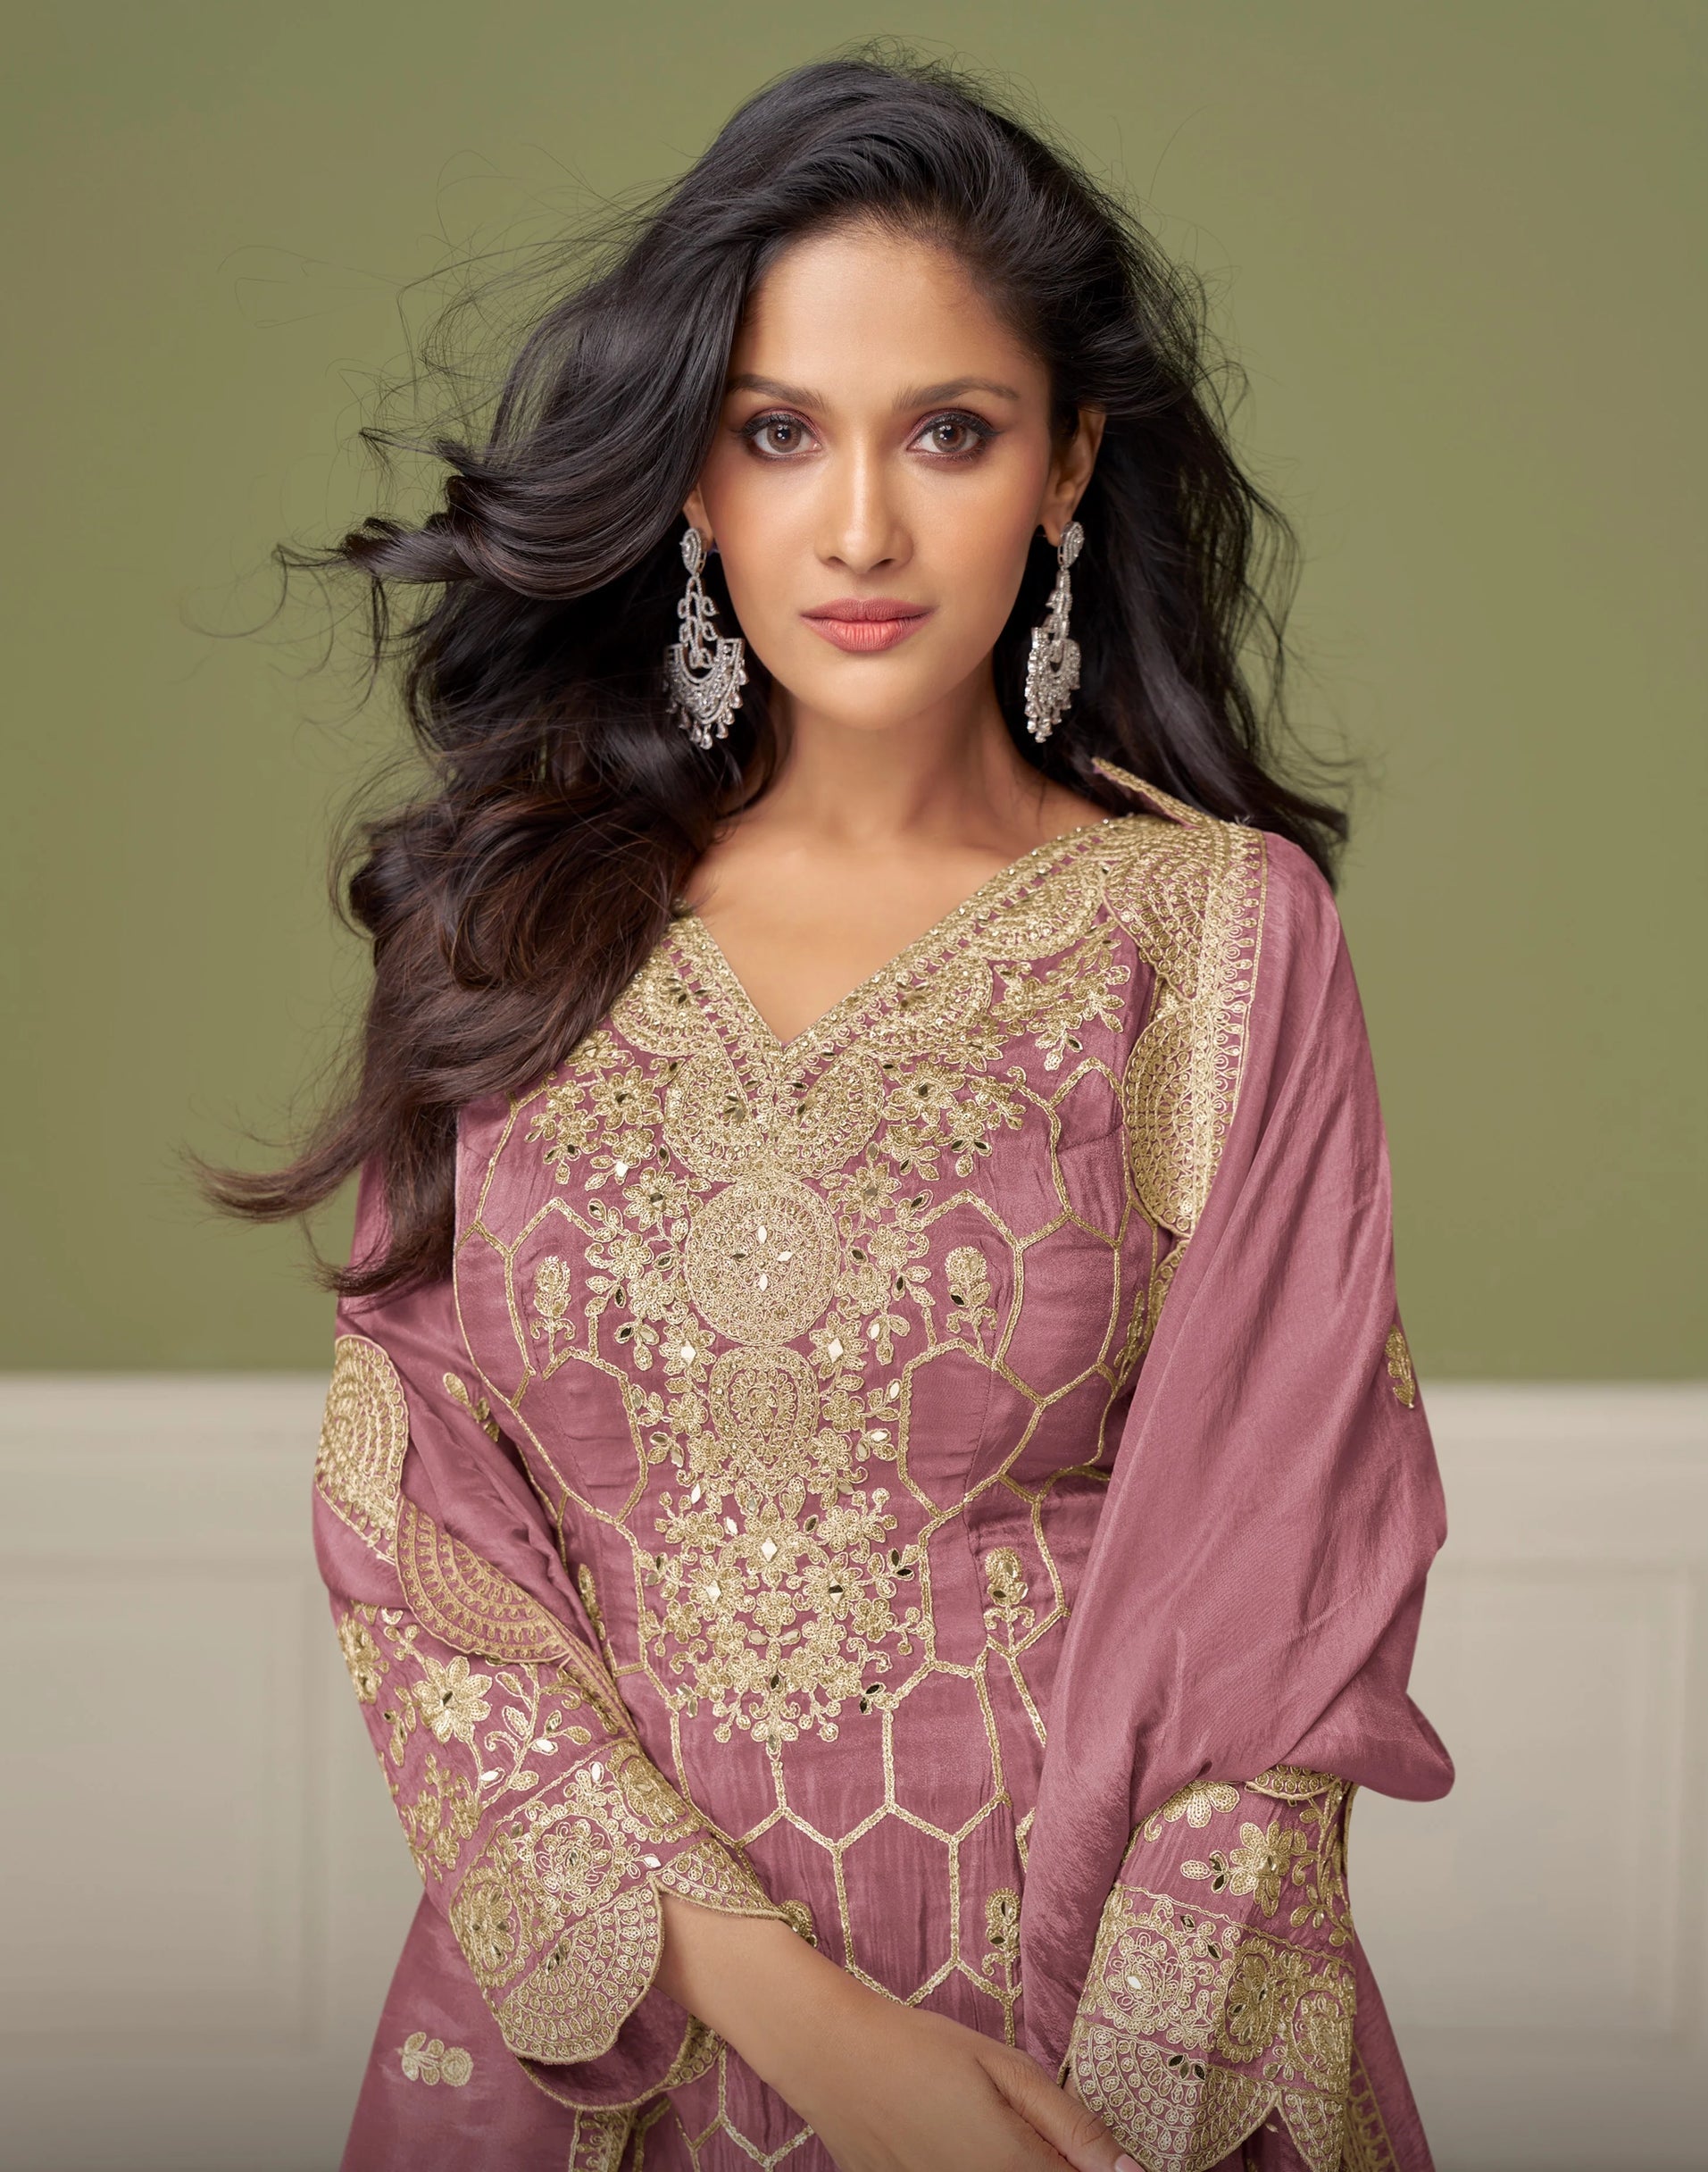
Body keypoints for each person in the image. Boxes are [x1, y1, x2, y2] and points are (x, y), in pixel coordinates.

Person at [216, 54, 1452, 2172]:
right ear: (692, 481)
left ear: (1065, 467)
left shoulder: (1211, 939)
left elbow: (1281, 1607)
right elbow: (420, 1551)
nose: (859, 526)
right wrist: (810, 2027)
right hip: (604, 2049)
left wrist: (1087, 2123)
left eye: (947, 433)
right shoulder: (520, 924)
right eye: (778, 433)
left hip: (1081, 2044)